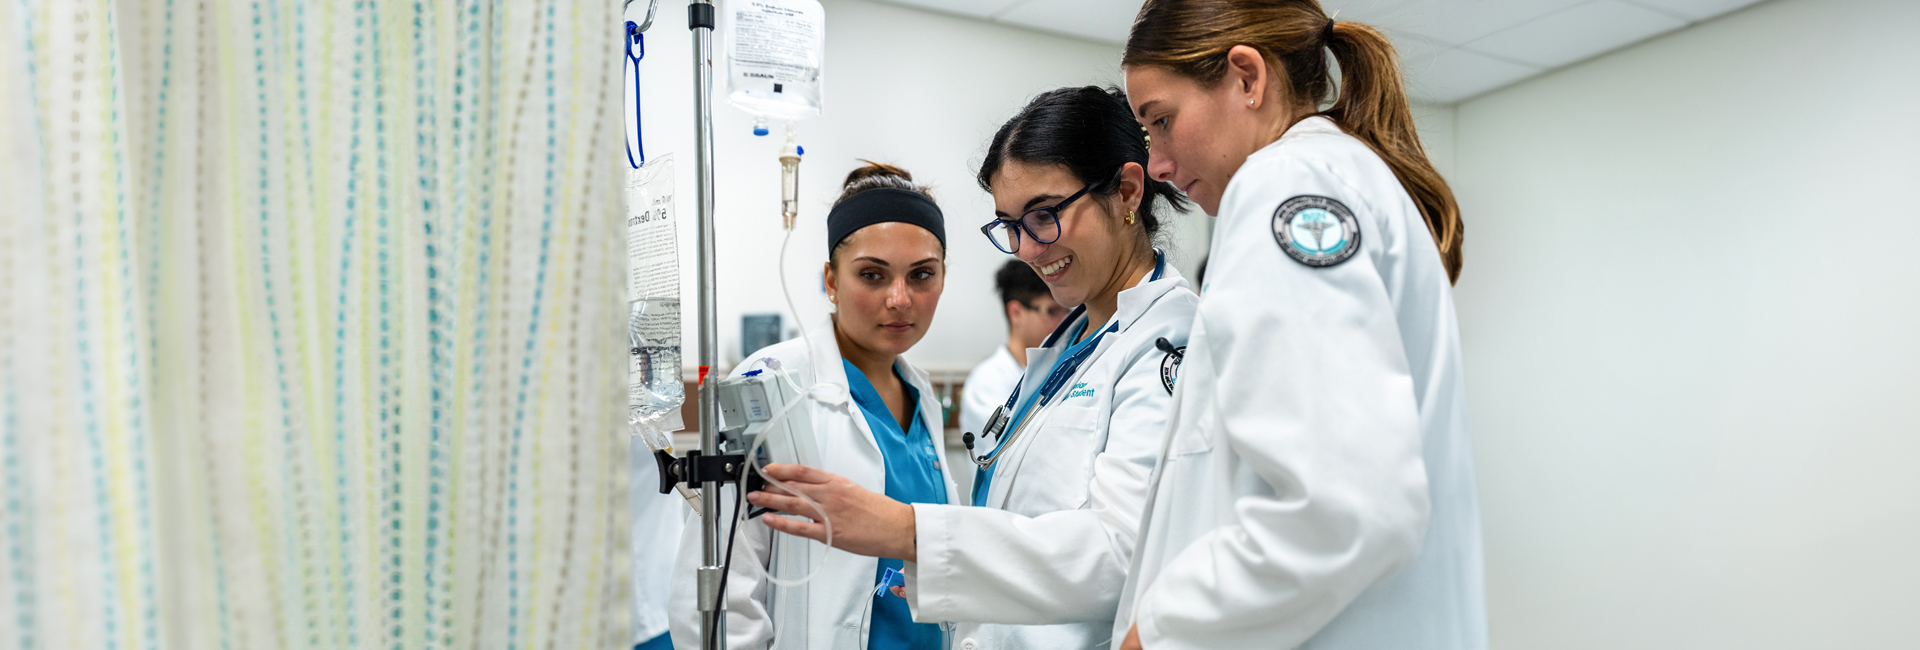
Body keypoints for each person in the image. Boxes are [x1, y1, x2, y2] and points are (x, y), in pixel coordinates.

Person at [745, 86, 1198, 650]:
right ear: (830, 279)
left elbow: (1120, 552)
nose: (1027, 250)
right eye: (1010, 224)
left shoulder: (1170, 343)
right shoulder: (1077, 339)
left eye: (1044, 215)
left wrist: (906, 532)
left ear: (1127, 191)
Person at [1111, 2, 1486, 649]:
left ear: (1247, 79)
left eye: (1163, 122)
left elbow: (1346, 510)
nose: (1162, 166)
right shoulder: (1345, 177)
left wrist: (1161, 628)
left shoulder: (1284, 186)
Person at [669, 162, 962, 650]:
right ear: (830, 280)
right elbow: (724, 591)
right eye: (872, 275)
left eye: (922, 275)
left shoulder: (922, 398)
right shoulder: (767, 387)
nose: (900, 299)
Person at [959, 261, 1068, 440]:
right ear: (1016, 312)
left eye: (1067, 312)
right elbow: (1025, 444)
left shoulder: (1056, 369)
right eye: (1052, 311)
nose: (1064, 321)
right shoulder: (987, 382)